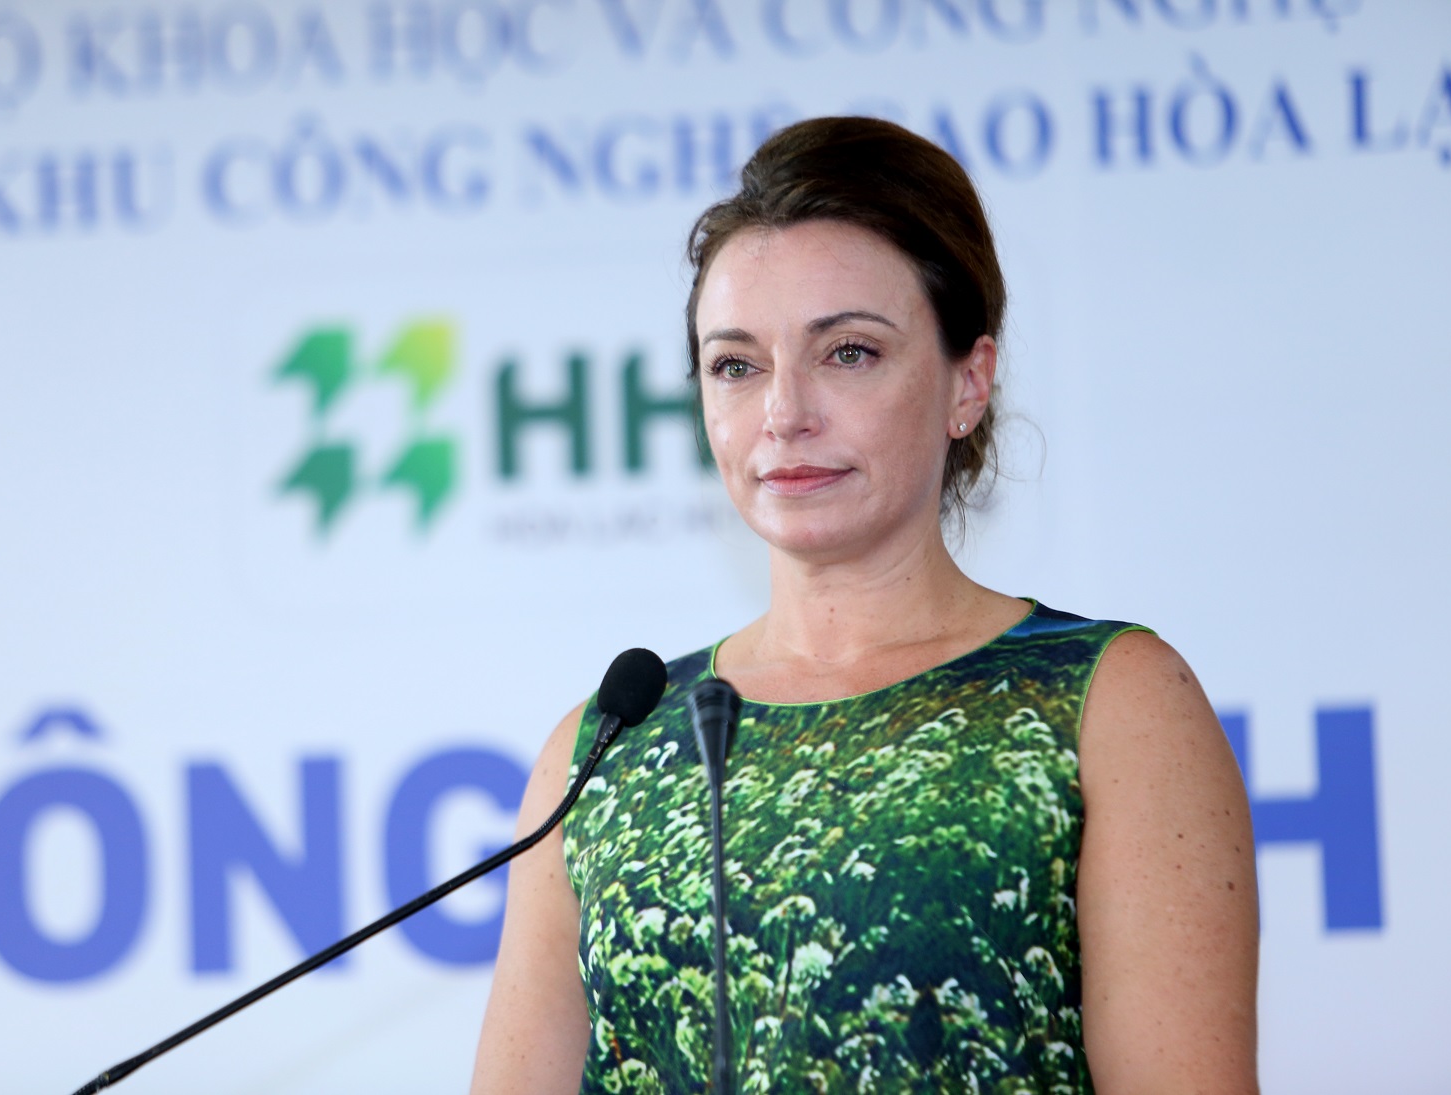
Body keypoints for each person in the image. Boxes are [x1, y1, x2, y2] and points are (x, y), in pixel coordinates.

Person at [471, 116, 1258, 1094]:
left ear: (969, 381)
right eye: (736, 365)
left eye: (847, 352)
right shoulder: (606, 747)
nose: (784, 413)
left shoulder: (1110, 703)